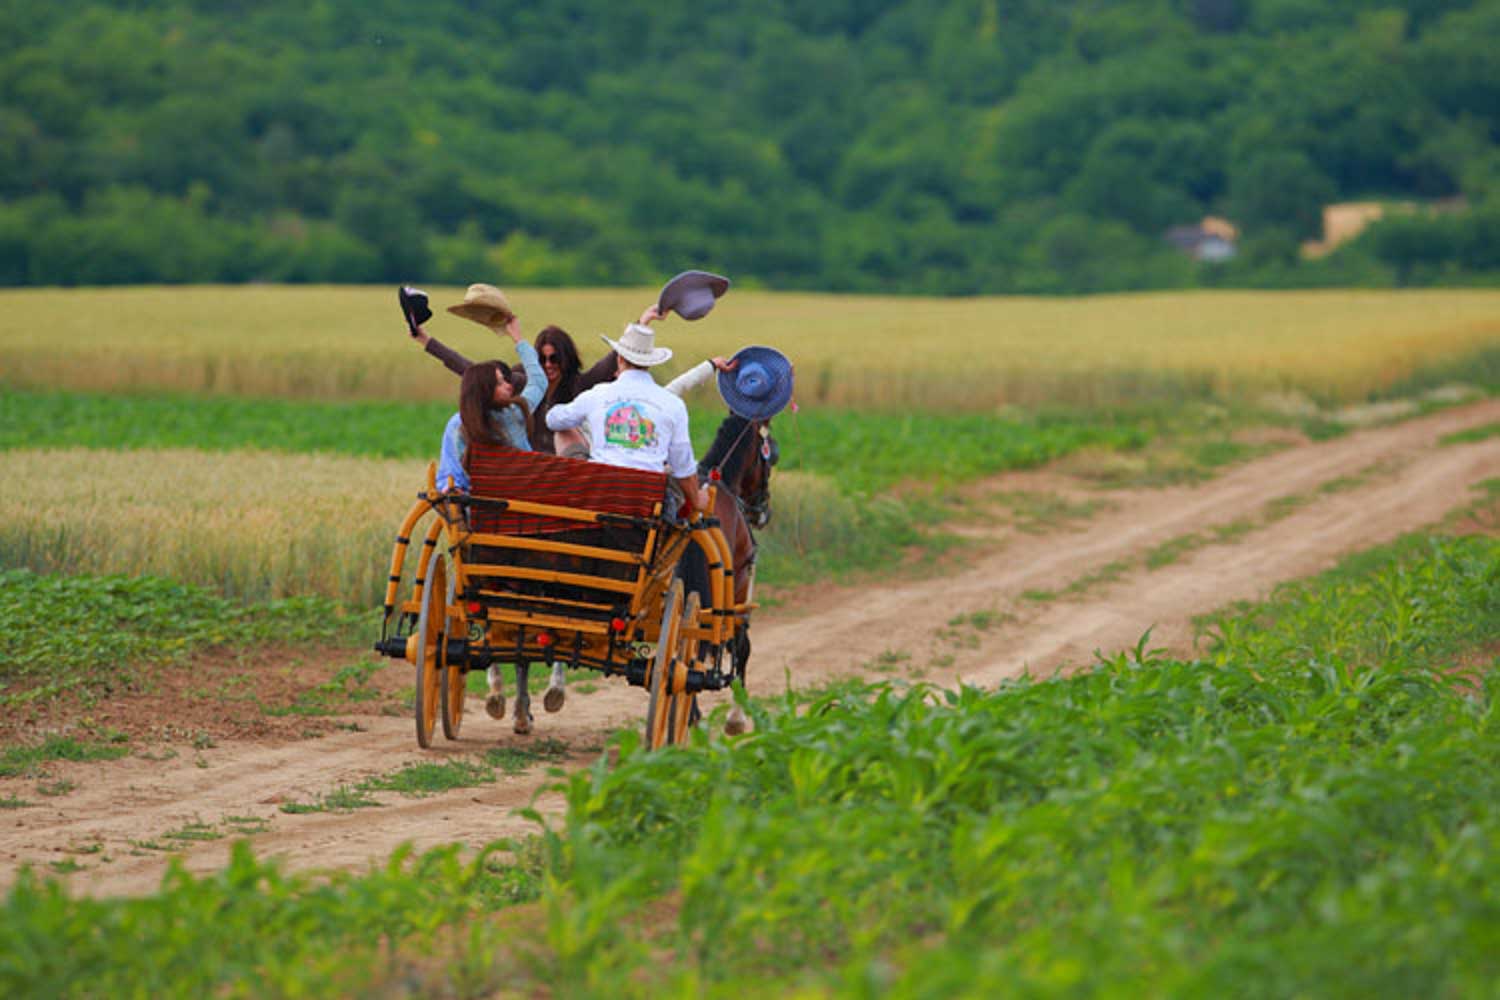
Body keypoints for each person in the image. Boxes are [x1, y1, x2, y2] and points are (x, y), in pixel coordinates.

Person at [544, 307, 709, 513]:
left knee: (564, 430)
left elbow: (552, 420)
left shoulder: (597, 394)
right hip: (646, 506)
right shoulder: (672, 404)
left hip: (600, 499)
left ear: (620, 359)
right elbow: (683, 465)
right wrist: (698, 500)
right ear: (649, 364)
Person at [433, 315, 545, 493]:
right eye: (500, 383)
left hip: (481, 509)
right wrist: (518, 338)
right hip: (525, 499)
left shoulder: (460, 425)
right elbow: (539, 382)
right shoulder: (515, 413)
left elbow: (453, 476)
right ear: (485, 391)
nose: (509, 385)